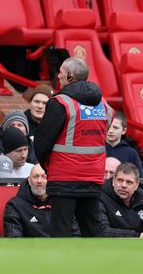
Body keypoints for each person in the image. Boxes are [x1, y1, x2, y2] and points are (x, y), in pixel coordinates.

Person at [34, 57, 114, 237]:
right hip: (93, 176)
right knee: (92, 230)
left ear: (70, 75)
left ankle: (60, 266)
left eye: (61, 72)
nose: (58, 76)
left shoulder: (61, 103)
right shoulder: (105, 105)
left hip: (64, 176)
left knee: (60, 231)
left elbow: (42, 142)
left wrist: (48, 166)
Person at [3, 164, 51, 237]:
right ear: (29, 181)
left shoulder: (60, 204)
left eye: (44, 177)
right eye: (35, 176)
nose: (39, 181)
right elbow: (13, 239)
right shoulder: (15, 206)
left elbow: (74, 234)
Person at [99, 163, 143, 237]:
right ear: (113, 181)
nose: (123, 185)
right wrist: (137, 236)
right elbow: (102, 230)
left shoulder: (141, 199)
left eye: (129, 182)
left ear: (136, 185)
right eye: (120, 180)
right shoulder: (100, 198)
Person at [106, 111, 143, 177]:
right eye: (108, 126)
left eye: (115, 128)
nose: (110, 131)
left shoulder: (131, 153)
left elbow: (139, 178)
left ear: (124, 131)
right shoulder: (96, 149)